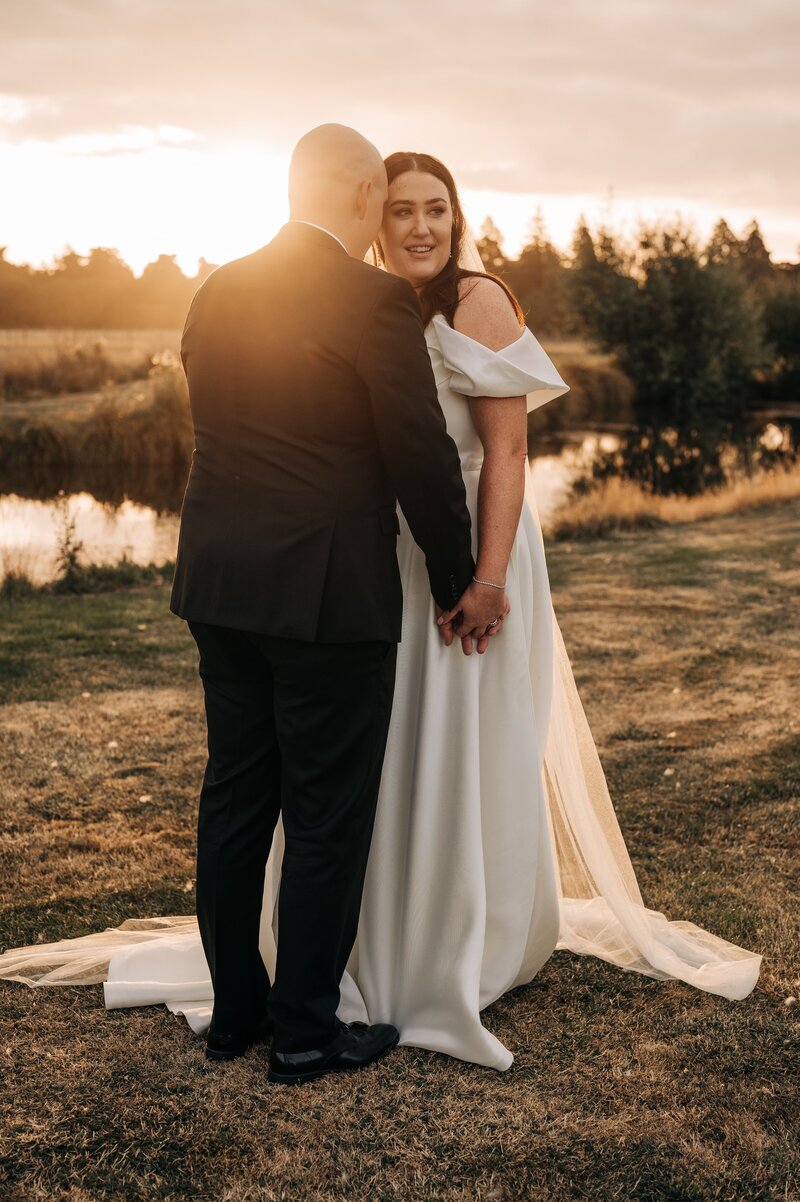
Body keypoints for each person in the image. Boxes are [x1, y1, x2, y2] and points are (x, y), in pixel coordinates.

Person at [0, 150, 762, 1073]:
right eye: (397, 207)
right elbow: (407, 453)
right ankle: (307, 1027)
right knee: (324, 806)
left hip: (255, 579)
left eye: (435, 209)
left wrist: (476, 578)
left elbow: (457, 457)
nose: (415, 227)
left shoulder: (226, 288)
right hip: (350, 577)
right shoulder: (361, 302)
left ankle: (258, 1005)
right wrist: (453, 578)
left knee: (249, 798)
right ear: (366, 206)